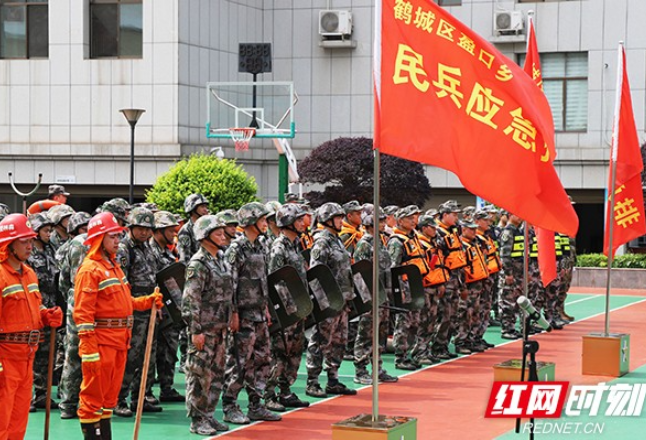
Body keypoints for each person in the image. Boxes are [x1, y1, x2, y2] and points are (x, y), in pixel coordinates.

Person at [73, 212, 163, 439]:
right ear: (98, 238)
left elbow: (124, 303)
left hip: (119, 341)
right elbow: (83, 314)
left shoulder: (113, 266)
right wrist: (89, 350)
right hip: (101, 342)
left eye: (118, 236)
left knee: (108, 399)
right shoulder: (90, 270)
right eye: (112, 236)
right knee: (93, 398)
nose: (117, 240)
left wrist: (147, 301)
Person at [0, 213, 63, 440]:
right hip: (5, 360)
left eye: (30, 240)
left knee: (18, 422)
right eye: (24, 241)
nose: (30, 245)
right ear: (8, 244)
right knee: (2, 422)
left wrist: (46, 316)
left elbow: (31, 309)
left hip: (27, 357)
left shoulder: (29, 274)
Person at [222, 202, 281, 424]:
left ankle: (256, 404)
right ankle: (230, 405)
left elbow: (263, 281)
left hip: (258, 313)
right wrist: (233, 314)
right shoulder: (236, 249)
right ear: (250, 222)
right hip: (243, 315)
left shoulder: (261, 246)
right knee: (238, 361)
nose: (266, 223)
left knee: (262, 359)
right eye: (263, 220)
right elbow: (230, 284)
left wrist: (265, 307)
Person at [182, 215, 233, 435]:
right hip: (204, 329)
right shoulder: (198, 264)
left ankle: (209, 415)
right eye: (218, 233)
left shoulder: (220, 259)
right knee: (199, 374)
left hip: (220, 328)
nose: (223, 236)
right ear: (204, 236)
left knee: (217, 374)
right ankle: (197, 418)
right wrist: (196, 331)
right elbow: (190, 300)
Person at [306, 202, 357, 398]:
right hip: (328, 302)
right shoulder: (322, 242)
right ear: (327, 220)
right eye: (338, 217)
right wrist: (322, 303)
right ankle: (312, 382)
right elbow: (316, 273)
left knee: (339, 341)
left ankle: (333, 379)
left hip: (342, 301)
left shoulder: (337, 240)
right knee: (320, 341)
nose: (342, 221)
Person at [114, 207, 162, 416]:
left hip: (149, 306)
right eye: (140, 228)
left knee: (148, 356)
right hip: (133, 308)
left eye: (147, 229)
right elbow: (122, 282)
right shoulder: (124, 249)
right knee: (130, 356)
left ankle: (140, 396)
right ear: (131, 227)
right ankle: (118, 399)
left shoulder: (148, 248)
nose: (144, 232)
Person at [264, 204, 311, 411]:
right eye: (299, 220)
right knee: (279, 352)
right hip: (286, 311)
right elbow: (275, 281)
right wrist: (284, 311)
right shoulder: (279, 248)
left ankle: (286, 391)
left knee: (295, 350)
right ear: (288, 222)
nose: (303, 223)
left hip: (298, 308)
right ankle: (269, 394)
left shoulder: (296, 245)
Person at [352, 204, 398, 385]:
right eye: (379, 220)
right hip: (370, 296)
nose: (383, 223)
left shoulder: (381, 241)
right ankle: (361, 369)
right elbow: (360, 273)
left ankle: (377, 368)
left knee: (380, 333)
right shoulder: (364, 244)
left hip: (382, 296)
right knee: (365, 334)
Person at [148, 211, 185, 403]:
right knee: (150, 352)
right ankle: (145, 392)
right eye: (170, 230)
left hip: (170, 310)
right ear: (159, 231)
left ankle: (167, 387)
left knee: (169, 349)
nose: (174, 233)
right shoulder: (149, 252)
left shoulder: (168, 252)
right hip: (153, 309)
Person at [27, 213, 61, 411]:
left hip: (50, 307)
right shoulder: (27, 254)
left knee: (48, 354)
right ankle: (30, 394)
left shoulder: (51, 250)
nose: (49, 234)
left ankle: (43, 394)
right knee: (31, 352)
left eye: (50, 230)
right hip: (33, 308)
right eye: (46, 230)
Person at [387, 205, 426, 370]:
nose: (414, 220)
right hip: (404, 287)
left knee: (415, 322)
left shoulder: (414, 238)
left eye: (415, 217)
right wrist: (399, 292)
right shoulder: (396, 241)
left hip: (416, 285)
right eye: (410, 218)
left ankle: (411, 353)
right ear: (400, 220)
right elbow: (393, 269)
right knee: (403, 323)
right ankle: (400, 357)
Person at [499, 213, 525, 340]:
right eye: (516, 214)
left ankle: (512, 328)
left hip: (518, 273)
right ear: (510, 216)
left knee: (515, 302)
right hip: (511, 273)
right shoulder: (508, 232)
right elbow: (505, 255)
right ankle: (507, 329)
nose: (520, 217)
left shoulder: (517, 231)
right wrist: (508, 273)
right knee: (508, 302)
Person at [178, 194, 210, 265]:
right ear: (192, 208)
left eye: (206, 206)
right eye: (202, 206)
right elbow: (184, 259)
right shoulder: (185, 230)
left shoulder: (208, 227)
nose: (206, 209)